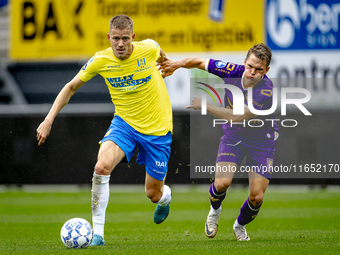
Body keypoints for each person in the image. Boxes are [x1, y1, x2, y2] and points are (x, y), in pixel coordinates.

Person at [36, 15, 173, 246]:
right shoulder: (101, 60)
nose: (120, 44)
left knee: (153, 194)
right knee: (101, 167)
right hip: (125, 125)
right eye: (116, 39)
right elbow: (70, 87)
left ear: (133, 38)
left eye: (125, 39)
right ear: (109, 38)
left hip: (157, 129)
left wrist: (166, 63)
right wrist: (49, 119)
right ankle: (98, 235)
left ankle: (165, 198)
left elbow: (159, 51)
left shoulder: (148, 49)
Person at [158, 43, 279, 241]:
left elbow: (238, 116)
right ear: (244, 62)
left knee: (257, 196)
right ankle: (215, 210)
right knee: (222, 183)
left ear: (266, 70)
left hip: (261, 140)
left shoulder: (266, 89)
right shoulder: (231, 70)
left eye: (258, 69)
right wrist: (175, 64)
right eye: (250, 66)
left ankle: (239, 225)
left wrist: (205, 105)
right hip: (235, 136)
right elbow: (199, 61)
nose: (252, 73)